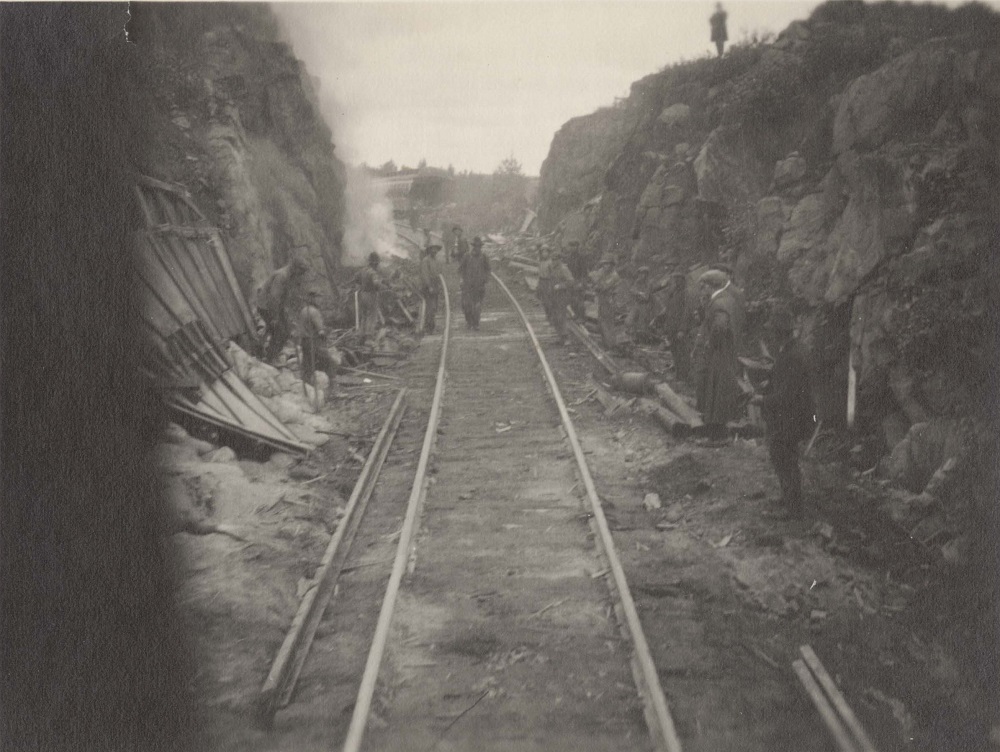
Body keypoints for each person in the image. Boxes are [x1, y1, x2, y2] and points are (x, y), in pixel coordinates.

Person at [754, 307, 815, 519]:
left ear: (780, 332)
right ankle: (787, 497)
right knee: (782, 458)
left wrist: (762, 399)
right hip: (790, 416)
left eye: (773, 331)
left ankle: (793, 510)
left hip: (790, 418)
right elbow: (784, 380)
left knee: (784, 459)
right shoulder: (792, 349)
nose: (770, 335)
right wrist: (770, 381)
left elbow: (788, 396)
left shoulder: (793, 355)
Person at [692, 268, 741, 442]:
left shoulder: (719, 303)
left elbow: (720, 326)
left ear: (710, 286)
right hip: (727, 351)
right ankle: (717, 431)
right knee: (719, 390)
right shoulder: (728, 300)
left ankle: (717, 435)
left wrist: (709, 343)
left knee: (717, 389)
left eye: (703, 286)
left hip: (720, 352)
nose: (702, 290)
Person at [259, 254, 307, 362]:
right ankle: (269, 360)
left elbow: (284, 298)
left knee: (287, 330)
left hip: (275, 307)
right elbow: (274, 298)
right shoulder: (282, 276)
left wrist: (285, 314)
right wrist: (275, 317)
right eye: (301, 272)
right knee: (280, 333)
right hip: (267, 307)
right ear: (295, 268)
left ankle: (271, 354)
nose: (301, 275)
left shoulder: (289, 276)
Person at [298, 290, 338, 410]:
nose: (320, 300)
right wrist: (326, 337)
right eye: (318, 298)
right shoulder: (314, 312)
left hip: (304, 342)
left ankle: (307, 394)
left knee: (307, 366)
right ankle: (333, 390)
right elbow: (320, 331)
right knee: (330, 362)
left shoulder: (303, 310)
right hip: (313, 342)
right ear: (312, 299)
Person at [658, 272, 693, 381]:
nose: (677, 281)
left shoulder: (686, 294)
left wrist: (682, 329)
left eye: (679, 279)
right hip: (672, 329)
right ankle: (679, 376)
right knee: (675, 352)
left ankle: (685, 377)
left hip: (680, 329)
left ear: (683, 280)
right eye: (675, 279)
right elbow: (668, 311)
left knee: (683, 353)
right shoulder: (673, 293)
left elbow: (687, 313)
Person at [709, 262, 746, 352]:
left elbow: (738, 319)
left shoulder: (735, 293)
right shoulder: (716, 291)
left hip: (728, 340)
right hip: (717, 338)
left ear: (727, 276)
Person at [589, 255, 622, 351]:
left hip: (609, 300)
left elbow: (604, 287)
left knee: (608, 322)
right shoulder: (603, 273)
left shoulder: (614, 275)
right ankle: (606, 344)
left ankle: (611, 345)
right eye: (604, 264)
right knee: (601, 321)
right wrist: (595, 281)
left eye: (607, 264)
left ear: (612, 265)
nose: (605, 266)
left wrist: (596, 280)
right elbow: (595, 284)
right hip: (602, 300)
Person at [458, 236, 491, 330]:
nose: (477, 248)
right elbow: (460, 269)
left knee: (477, 306)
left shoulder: (484, 257)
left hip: (479, 285)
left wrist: (486, 278)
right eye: (475, 246)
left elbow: (488, 269)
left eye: (479, 246)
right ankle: (469, 322)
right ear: (473, 246)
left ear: (480, 247)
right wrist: (461, 280)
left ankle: (476, 324)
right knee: (466, 305)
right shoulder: (467, 256)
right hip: (467, 285)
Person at [549, 249, 577, 344]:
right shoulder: (552, 268)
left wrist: (560, 286)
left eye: (556, 259)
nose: (554, 261)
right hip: (553, 295)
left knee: (561, 316)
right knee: (555, 317)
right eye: (552, 259)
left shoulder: (564, 269)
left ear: (560, 259)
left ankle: (566, 337)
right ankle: (560, 336)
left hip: (562, 295)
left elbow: (571, 281)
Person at [627, 266, 658, 344]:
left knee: (643, 325)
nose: (641, 275)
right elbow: (631, 291)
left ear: (646, 274)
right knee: (629, 321)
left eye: (643, 274)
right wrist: (639, 293)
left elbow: (646, 297)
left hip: (645, 305)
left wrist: (637, 293)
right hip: (637, 304)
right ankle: (633, 338)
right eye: (640, 273)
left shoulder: (649, 283)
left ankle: (643, 342)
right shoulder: (637, 282)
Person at [355, 251, 383, 337]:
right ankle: (369, 337)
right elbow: (376, 285)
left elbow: (356, 278)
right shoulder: (373, 273)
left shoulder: (362, 270)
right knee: (372, 316)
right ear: (375, 263)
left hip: (362, 294)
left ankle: (361, 335)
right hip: (371, 295)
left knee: (364, 316)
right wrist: (381, 284)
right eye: (377, 263)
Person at [419, 243, 443, 334]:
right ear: (429, 251)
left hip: (435, 286)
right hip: (428, 287)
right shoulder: (426, 261)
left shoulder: (436, 260)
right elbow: (425, 275)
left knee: (434, 307)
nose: (434, 251)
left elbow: (439, 274)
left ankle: (431, 326)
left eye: (436, 250)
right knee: (430, 307)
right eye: (432, 249)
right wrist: (429, 286)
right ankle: (429, 328)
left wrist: (439, 286)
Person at [565, 239, 589, 319]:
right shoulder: (569, 257)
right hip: (571, 280)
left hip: (579, 280)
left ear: (577, 247)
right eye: (571, 246)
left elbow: (584, 271)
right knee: (571, 299)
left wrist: (582, 282)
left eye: (574, 246)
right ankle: (574, 316)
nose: (572, 248)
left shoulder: (581, 257)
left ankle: (581, 317)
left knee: (579, 300)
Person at [536, 245, 555, 323]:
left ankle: (551, 316)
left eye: (546, 252)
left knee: (549, 300)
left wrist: (552, 283)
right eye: (543, 252)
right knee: (543, 300)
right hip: (542, 281)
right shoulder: (541, 262)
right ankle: (548, 315)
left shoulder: (550, 262)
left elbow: (553, 274)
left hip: (548, 281)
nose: (544, 254)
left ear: (548, 253)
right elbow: (539, 273)